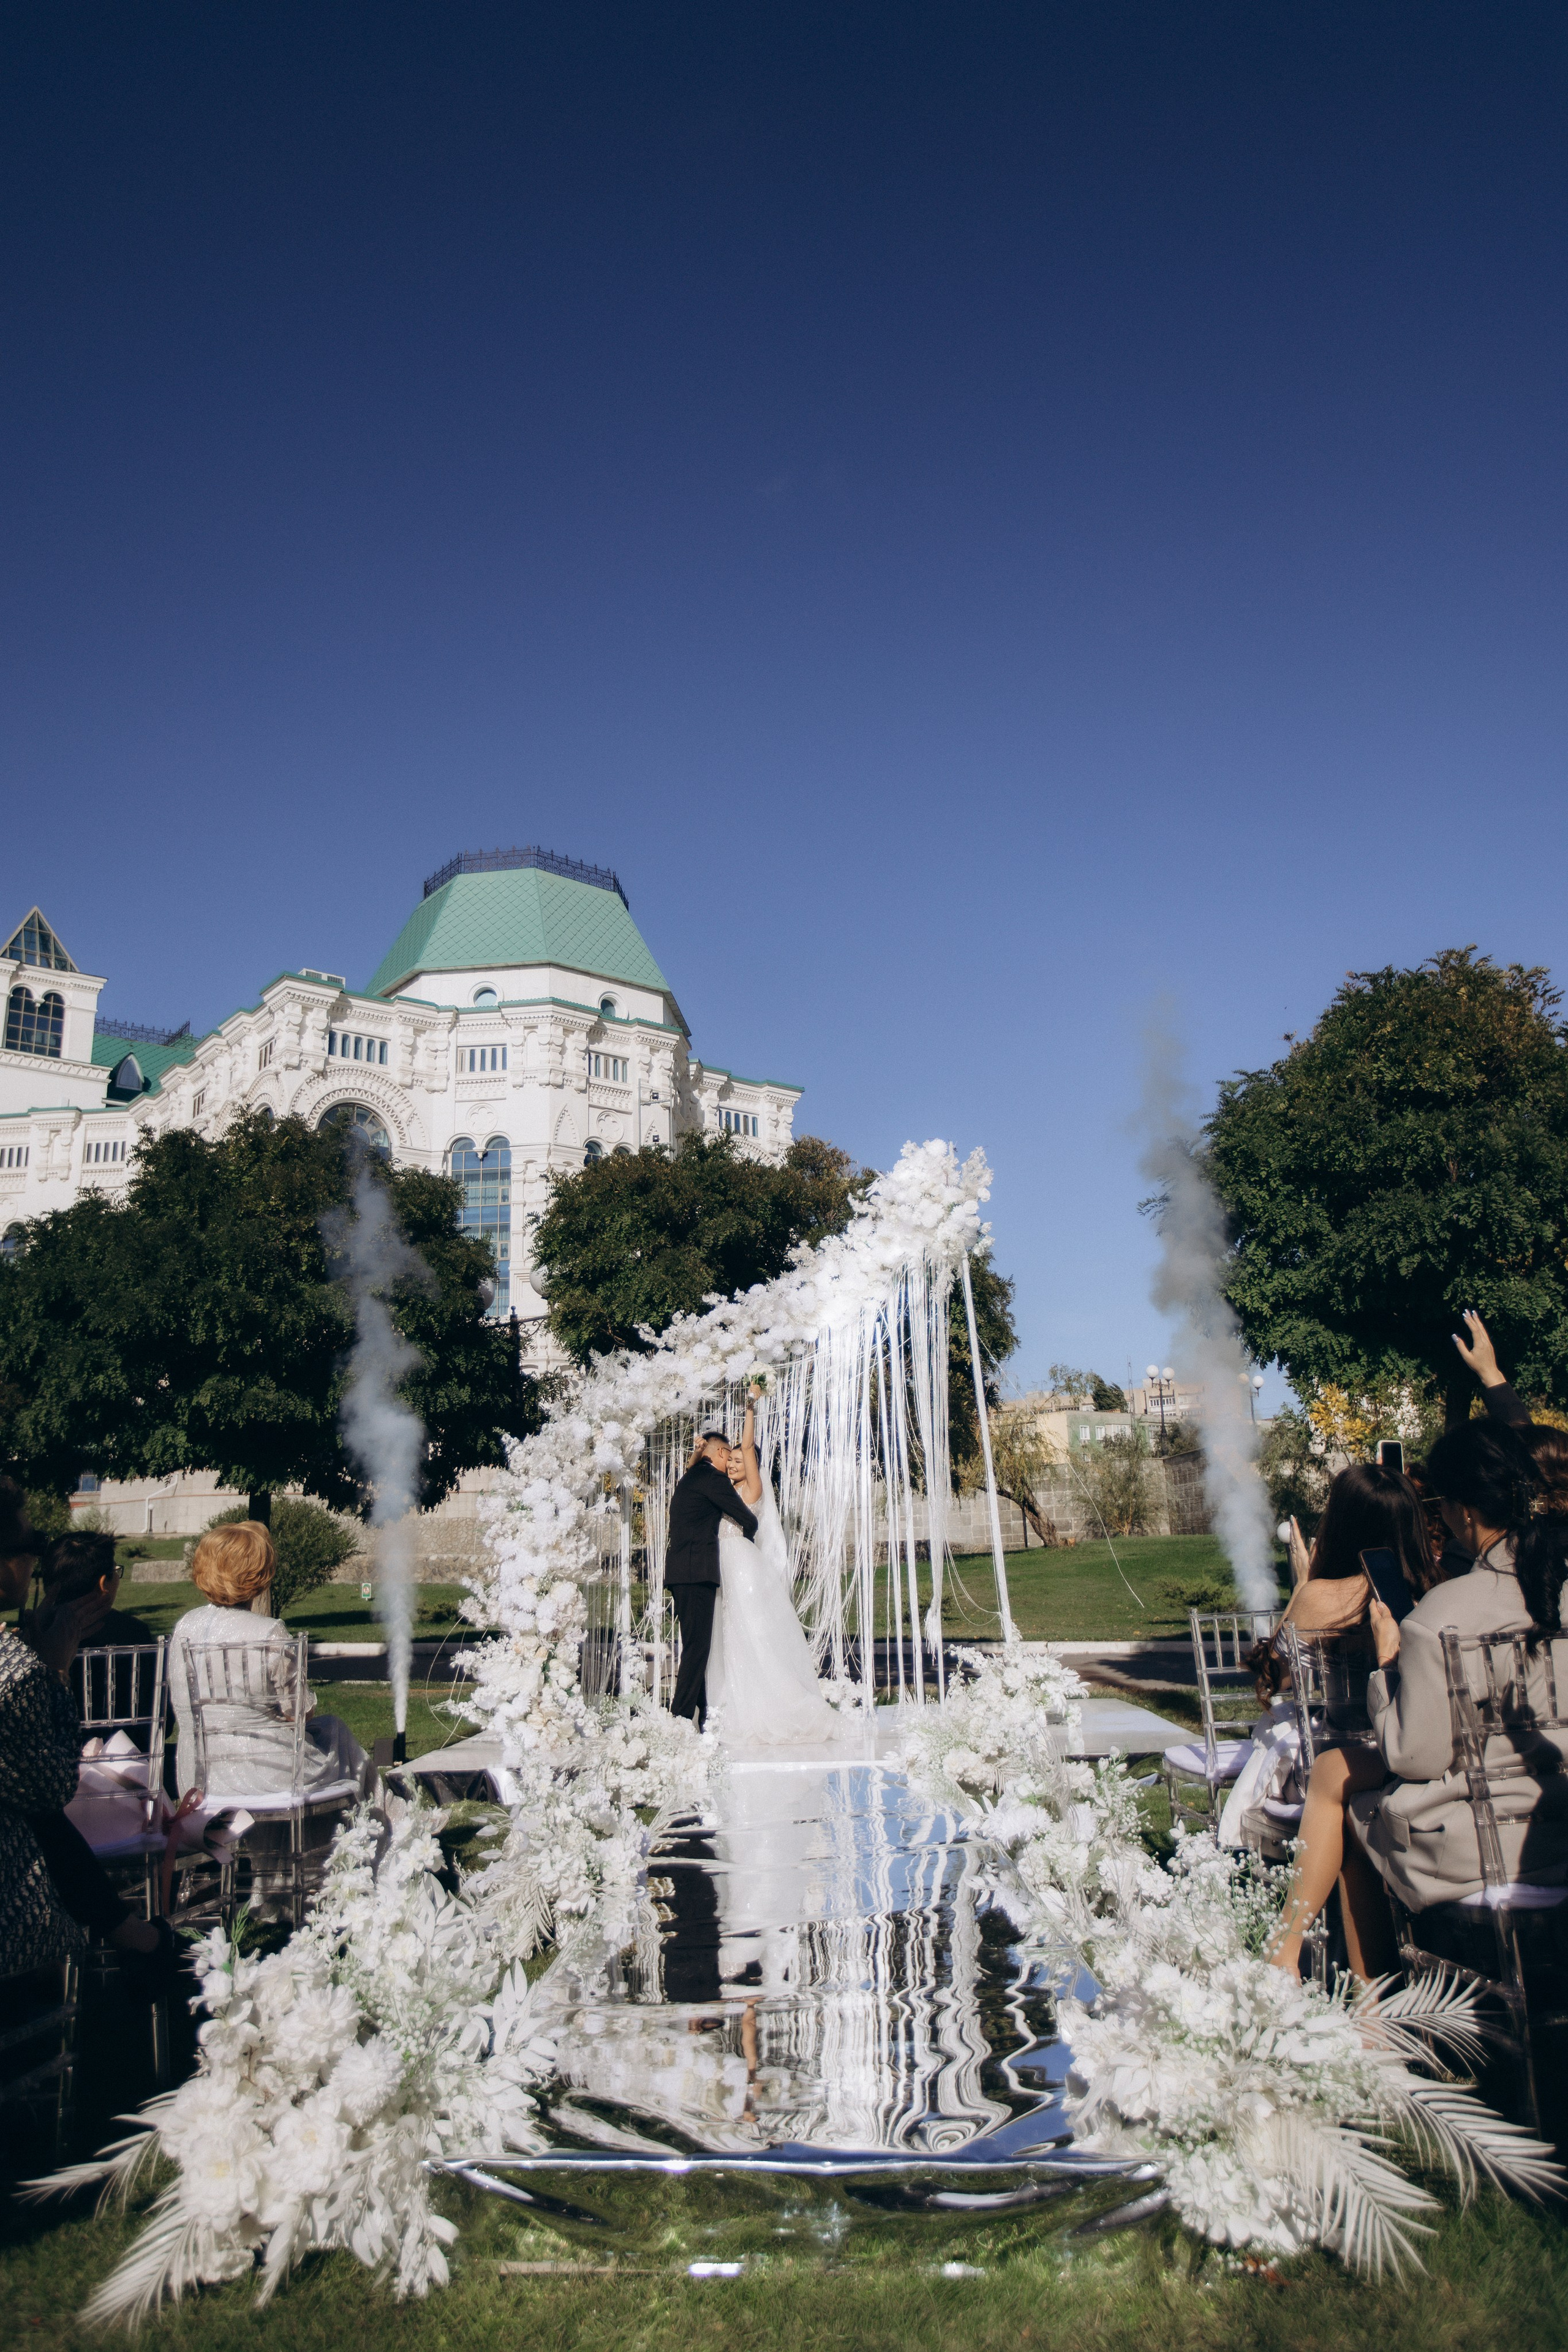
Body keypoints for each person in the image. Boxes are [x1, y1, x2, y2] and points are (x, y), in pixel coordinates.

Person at [1268, 1421, 1568, 1981]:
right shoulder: (1556, 1590)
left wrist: (1387, 1663)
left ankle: (1374, 1999)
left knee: (1359, 1814)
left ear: (1465, 1512)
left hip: (1482, 1840)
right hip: (1558, 1819)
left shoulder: (1441, 1615)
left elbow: (1415, 1758)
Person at [0, 1479, 168, 1982]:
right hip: (92, 1813)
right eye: (30, 1547)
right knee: (43, 1815)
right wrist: (51, 1672)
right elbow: (52, 1788)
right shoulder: (20, 1667)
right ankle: (136, 1939)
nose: (33, 1562)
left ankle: (132, 1934)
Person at [167, 1520, 369, 1800]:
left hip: (196, 1772)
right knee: (335, 1731)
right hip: (266, 1769)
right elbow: (298, 1714)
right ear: (259, 1575)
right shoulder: (268, 1633)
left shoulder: (184, 1627)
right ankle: (377, 1828)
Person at [706, 1388, 841, 1749]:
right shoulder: (721, 1491)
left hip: (744, 1570)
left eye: (738, 1461)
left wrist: (750, 1407)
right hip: (725, 1571)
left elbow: (748, 1449)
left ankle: (779, 1708)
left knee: (756, 1637)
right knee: (734, 1640)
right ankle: (741, 1708)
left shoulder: (753, 1489)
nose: (733, 1465)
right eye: (730, 1461)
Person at [1248, 1461, 1436, 1702]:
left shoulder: (1320, 1597)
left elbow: (1275, 1680)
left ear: (1342, 1525)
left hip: (1345, 1734)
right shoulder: (1437, 1589)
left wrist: (1302, 1584)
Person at [665, 1427, 758, 1727]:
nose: (729, 1464)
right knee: (698, 1648)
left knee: (697, 1645)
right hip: (696, 1574)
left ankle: (703, 1715)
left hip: (682, 1573)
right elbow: (746, 1517)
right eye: (728, 1457)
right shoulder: (712, 1478)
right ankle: (678, 1718)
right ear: (720, 1453)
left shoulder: (690, 1477)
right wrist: (749, 1543)